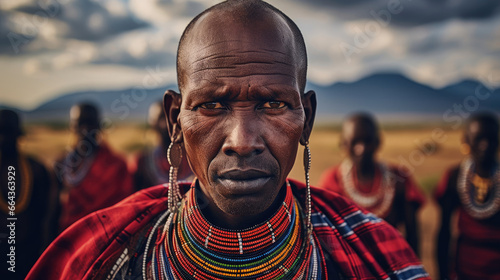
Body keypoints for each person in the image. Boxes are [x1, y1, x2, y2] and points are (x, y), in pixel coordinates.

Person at [28, 1, 430, 279]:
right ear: (175, 120)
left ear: (306, 119)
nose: (241, 141)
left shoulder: (375, 252)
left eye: (273, 104)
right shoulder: (96, 255)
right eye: (211, 106)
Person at [318, 112, 426, 255]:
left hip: (392, 265)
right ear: (343, 144)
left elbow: (413, 235)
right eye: (355, 142)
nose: (361, 148)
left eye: (367, 141)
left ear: (377, 142)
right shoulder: (332, 181)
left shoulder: (399, 178)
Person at [435, 112, 500, 280]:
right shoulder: (454, 177)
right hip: (464, 269)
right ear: (466, 141)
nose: (485, 145)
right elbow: (444, 232)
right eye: (479, 139)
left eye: (491, 139)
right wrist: (442, 275)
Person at [54, 103, 133, 231]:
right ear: (72, 126)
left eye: (90, 123)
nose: (85, 129)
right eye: (80, 123)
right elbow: (53, 211)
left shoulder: (116, 165)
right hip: (71, 235)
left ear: (99, 126)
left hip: (107, 235)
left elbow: (124, 209)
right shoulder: (62, 164)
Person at [0, 109, 55, 280]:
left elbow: (47, 215)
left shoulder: (36, 170)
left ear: (18, 135)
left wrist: (43, 249)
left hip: (29, 252)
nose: (3, 138)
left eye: (7, 133)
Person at [129, 101, 192, 191]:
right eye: (162, 118)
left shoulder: (196, 159)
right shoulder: (142, 163)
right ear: (152, 123)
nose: (167, 124)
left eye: (172, 117)